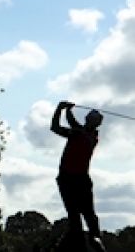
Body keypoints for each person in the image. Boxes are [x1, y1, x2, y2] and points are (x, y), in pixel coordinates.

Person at [50, 101, 106, 252]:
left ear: (90, 121)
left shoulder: (79, 134)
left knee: (77, 225)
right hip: (79, 181)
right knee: (89, 223)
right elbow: (73, 123)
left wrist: (60, 109)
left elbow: (55, 127)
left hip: (69, 181)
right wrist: (67, 111)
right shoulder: (91, 136)